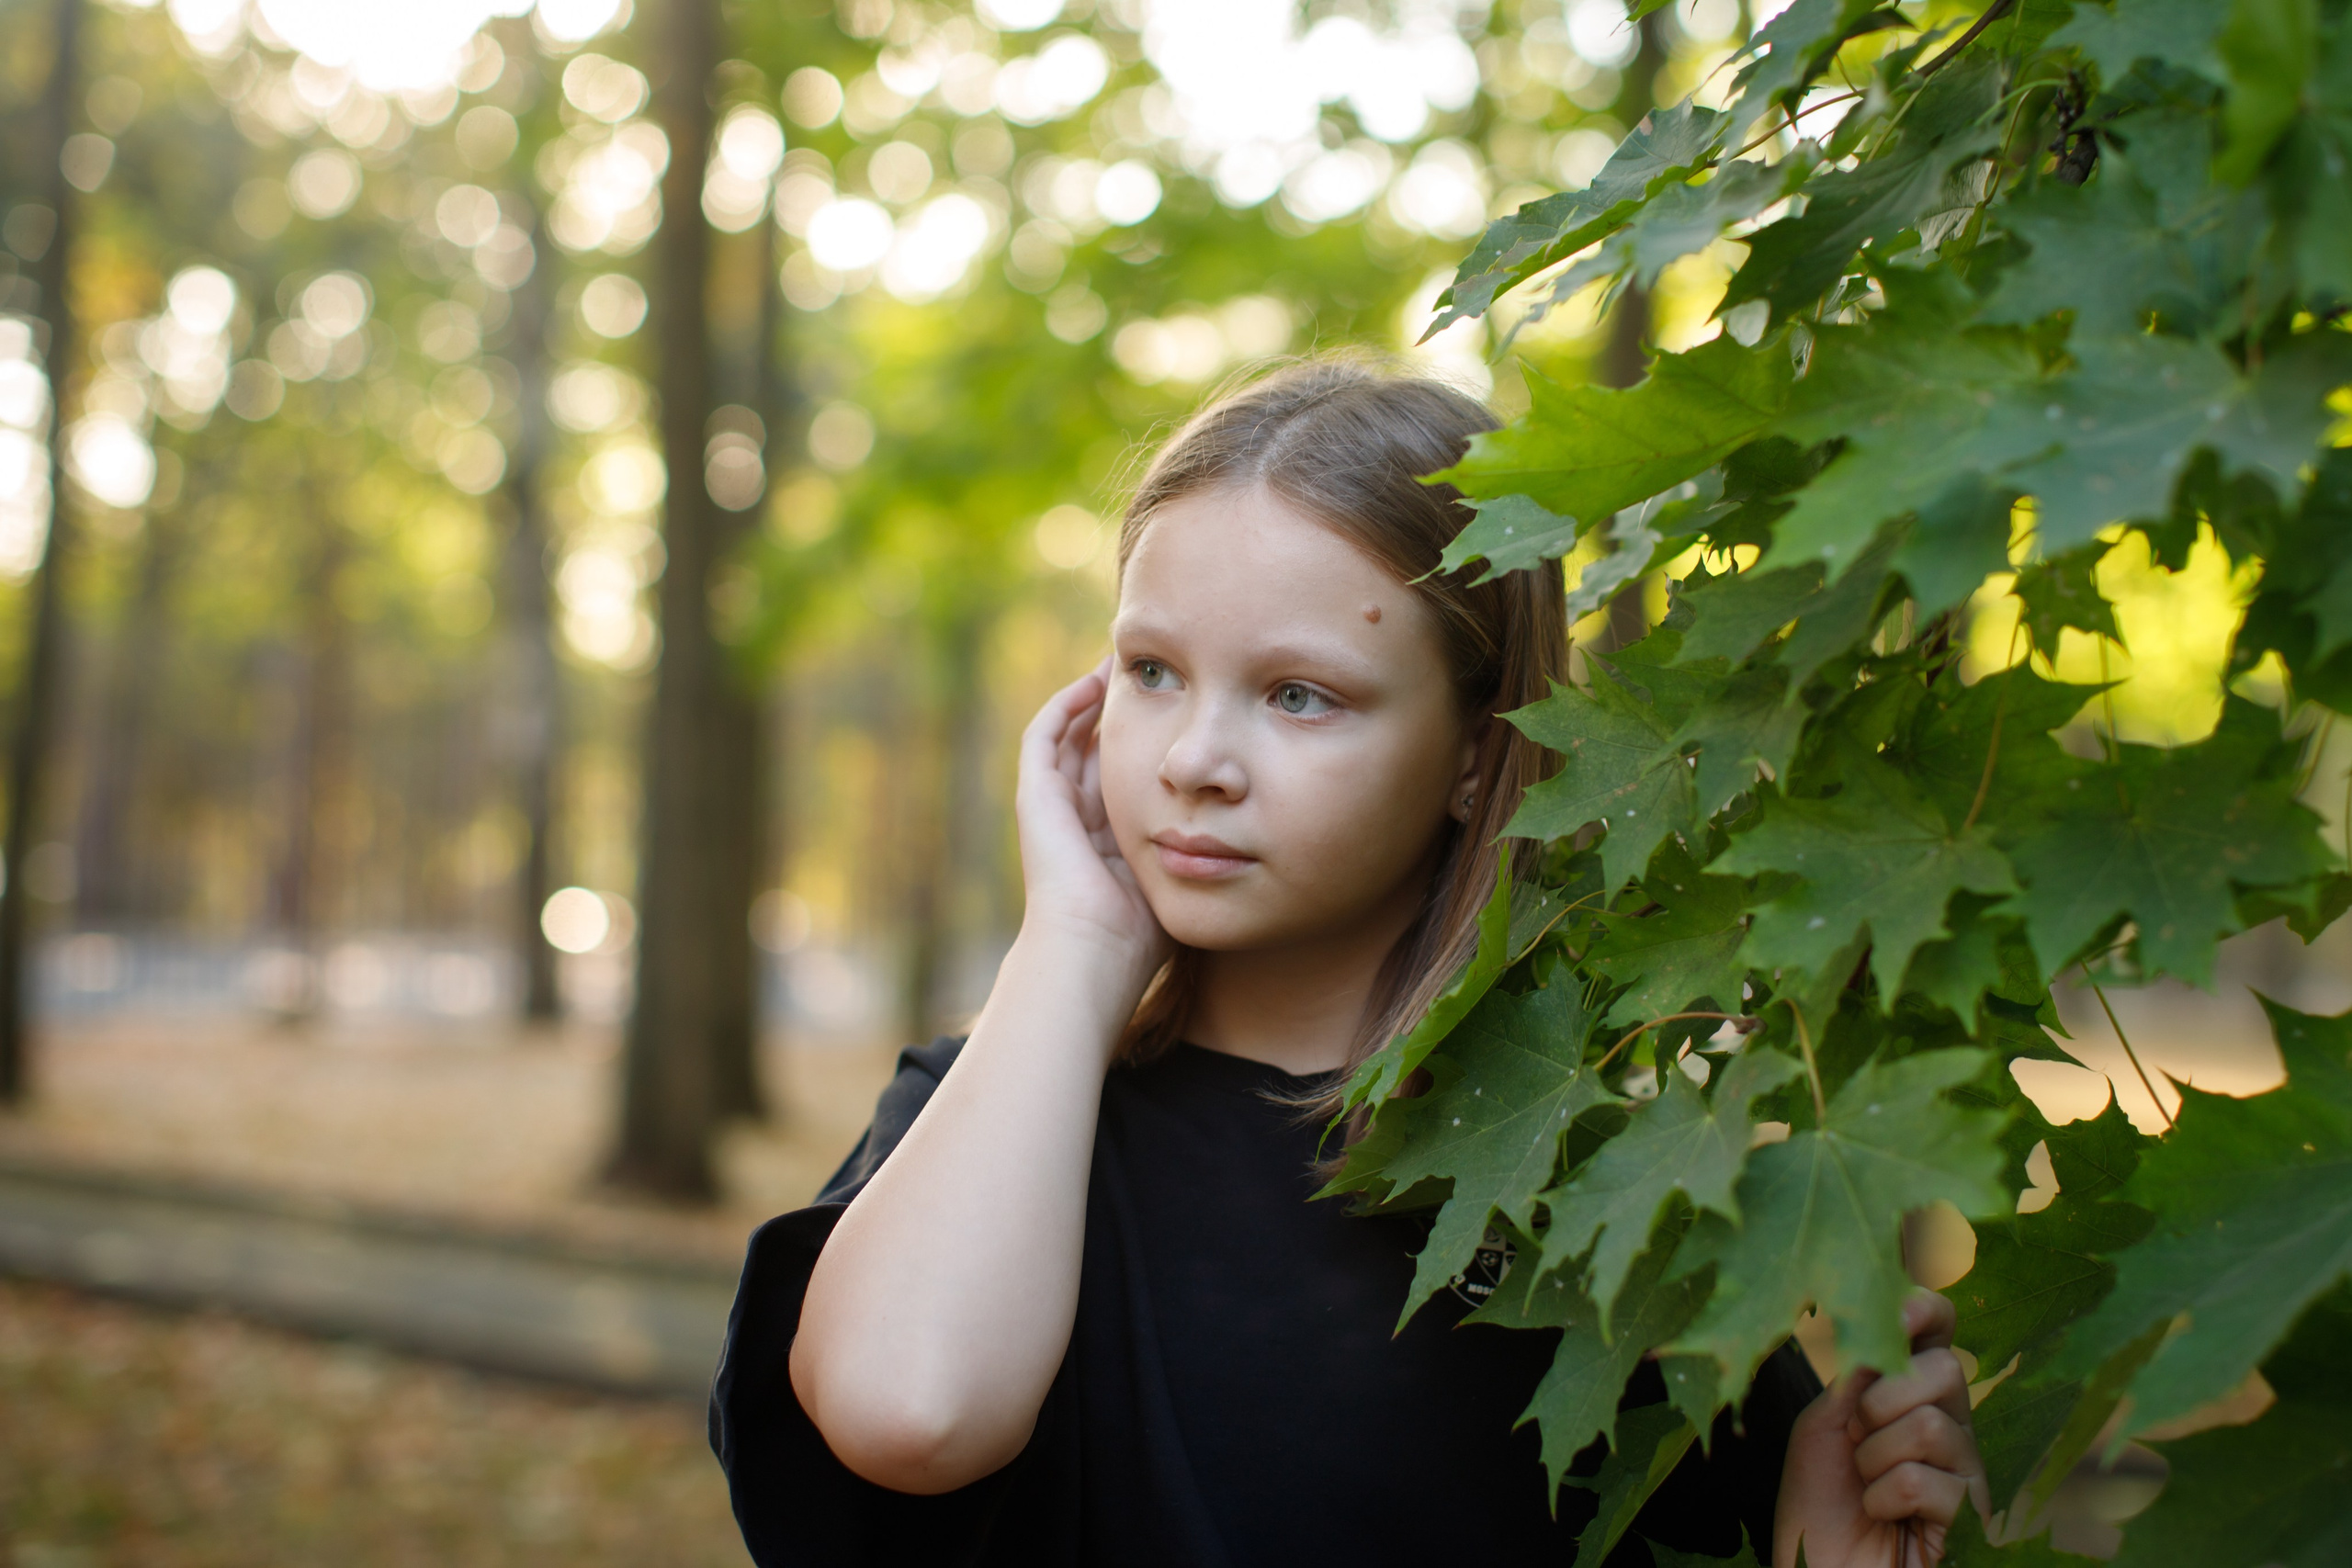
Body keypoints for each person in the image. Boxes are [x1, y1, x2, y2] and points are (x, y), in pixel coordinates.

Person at [710, 358, 1991, 1567]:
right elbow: (911, 1412)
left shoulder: (1603, 1195)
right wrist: (1081, 941)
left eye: (1298, 696)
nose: (1193, 759)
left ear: (1480, 757)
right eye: (1152, 671)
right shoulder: (993, 1112)